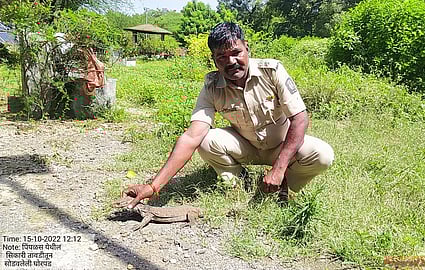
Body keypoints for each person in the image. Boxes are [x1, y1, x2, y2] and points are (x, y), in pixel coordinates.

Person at [124, 22, 334, 208]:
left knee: (323, 154)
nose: (231, 61)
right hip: (246, 146)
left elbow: (299, 118)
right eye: (222, 57)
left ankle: (285, 186)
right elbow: (191, 137)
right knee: (206, 139)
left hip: (280, 146)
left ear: (247, 48)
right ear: (214, 61)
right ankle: (238, 183)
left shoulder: (272, 71)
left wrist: (279, 168)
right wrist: (154, 186)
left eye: (236, 52)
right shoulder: (212, 86)